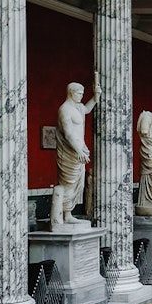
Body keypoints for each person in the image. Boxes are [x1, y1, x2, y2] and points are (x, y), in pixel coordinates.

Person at [53, 77, 97, 225]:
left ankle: (68, 213)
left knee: (79, 182)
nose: (82, 96)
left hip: (79, 151)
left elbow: (88, 108)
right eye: (79, 93)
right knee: (69, 182)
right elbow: (68, 133)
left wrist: (96, 96)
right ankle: (66, 215)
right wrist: (78, 150)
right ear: (72, 93)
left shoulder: (78, 108)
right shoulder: (64, 110)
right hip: (70, 152)